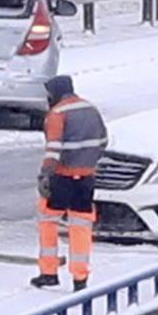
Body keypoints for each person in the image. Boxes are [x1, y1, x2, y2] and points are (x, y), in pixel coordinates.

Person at [32, 74, 106, 292]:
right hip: (86, 177)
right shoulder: (91, 108)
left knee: (48, 219)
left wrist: (45, 175)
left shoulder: (57, 114)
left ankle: (49, 272)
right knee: (81, 224)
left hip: (62, 177)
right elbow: (103, 141)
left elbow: (53, 152)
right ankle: (80, 278)